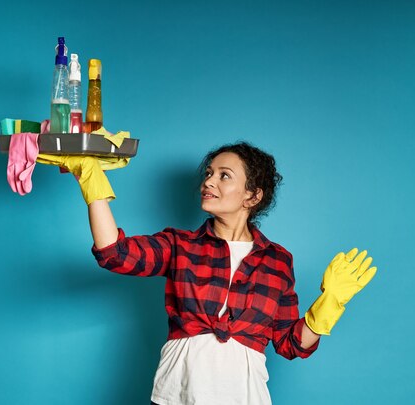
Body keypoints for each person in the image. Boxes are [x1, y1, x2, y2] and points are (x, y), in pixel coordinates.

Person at [38, 141, 377, 405]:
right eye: (209, 173)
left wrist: (329, 304)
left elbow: (291, 344)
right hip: (176, 394)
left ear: (252, 195)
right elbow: (115, 253)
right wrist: (92, 181)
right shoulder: (180, 245)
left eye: (224, 175)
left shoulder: (278, 261)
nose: (209, 181)